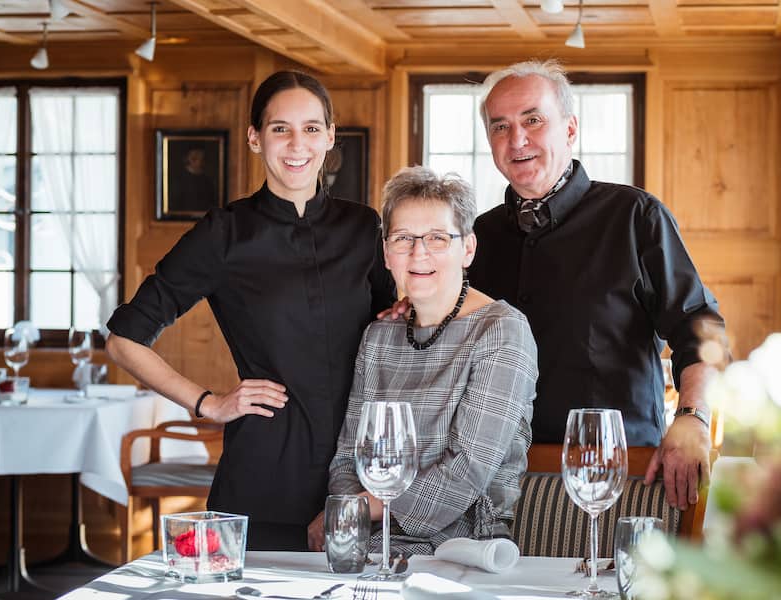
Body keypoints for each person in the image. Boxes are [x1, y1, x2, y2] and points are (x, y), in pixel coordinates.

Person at [105, 70, 395, 550]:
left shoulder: (364, 227)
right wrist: (208, 403)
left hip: (360, 471)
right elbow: (123, 340)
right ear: (255, 138)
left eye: (311, 128)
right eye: (280, 128)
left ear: (329, 136)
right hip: (265, 472)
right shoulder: (225, 234)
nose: (296, 143)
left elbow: (396, 329)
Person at [470, 60, 726, 510]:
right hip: (498, 480)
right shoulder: (479, 236)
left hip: (620, 475)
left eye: (533, 119)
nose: (518, 140)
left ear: (569, 129)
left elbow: (701, 327)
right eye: (500, 126)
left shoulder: (635, 216)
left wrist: (692, 417)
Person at [307, 166, 538, 555]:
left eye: (437, 237)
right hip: (367, 545)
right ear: (386, 253)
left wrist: (356, 510)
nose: (419, 253)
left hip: (461, 551)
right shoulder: (379, 337)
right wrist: (350, 523)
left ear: (467, 249)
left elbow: (466, 472)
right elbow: (348, 457)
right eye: (403, 238)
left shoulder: (502, 330)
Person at [170, 146, 217, 212]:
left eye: (200, 158)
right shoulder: (179, 180)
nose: (198, 161)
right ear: (187, 159)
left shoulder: (207, 181)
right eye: (194, 158)